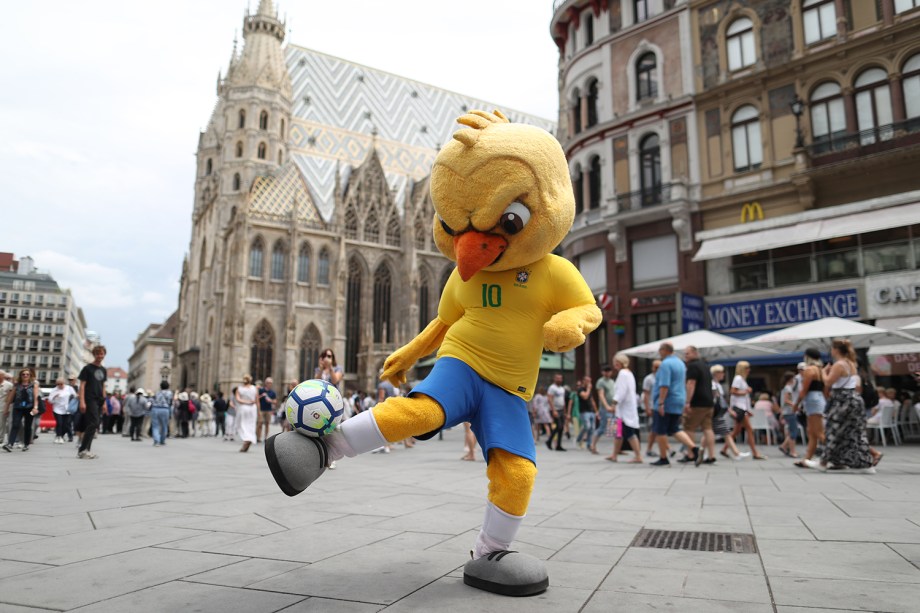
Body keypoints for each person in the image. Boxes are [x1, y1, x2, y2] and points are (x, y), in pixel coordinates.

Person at [808, 339, 879, 472]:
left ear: (836, 350)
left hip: (842, 400)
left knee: (833, 430)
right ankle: (865, 464)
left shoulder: (839, 364)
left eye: (832, 349)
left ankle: (823, 462)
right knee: (856, 432)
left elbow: (828, 382)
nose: (831, 351)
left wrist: (824, 372)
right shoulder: (851, 363)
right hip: (854, 399)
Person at [651, 343, 701, 466]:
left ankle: (663, 458)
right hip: (679, 398)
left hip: (667, 400)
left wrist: (661, 402)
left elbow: (664, 385)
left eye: (660, 350)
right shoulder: (681, 363)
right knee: (674, 428)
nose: (659, 353)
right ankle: (694, 448)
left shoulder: (665, 364)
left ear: (664, 350)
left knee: (660, 430)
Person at [724, 361, 765, 460]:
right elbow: (733, 391)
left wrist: (748, 409)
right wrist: (746, 391)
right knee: (749, 430)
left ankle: (724, 449)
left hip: (742, 408)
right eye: (747, 368)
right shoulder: (738, 379)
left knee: (737, 430)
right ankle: (755, 452)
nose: (749, 370)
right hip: (739, 408)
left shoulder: (741, 379)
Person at [793, 348, 826, 469]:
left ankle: (838, 454)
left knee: (818, 432)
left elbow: (804, 389)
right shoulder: (820, 370)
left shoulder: (809, 370)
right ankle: (807, 459)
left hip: (812, 400)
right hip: (818, 398)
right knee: (812, 432)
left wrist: (796, 404)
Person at [682, 346, 715, 463]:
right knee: (708, 428)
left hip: (697, 402)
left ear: (695, 353)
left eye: (687, 354)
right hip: (709, 402)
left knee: (689, 427)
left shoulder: (692, 366)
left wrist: (687, 402)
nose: (685, 356)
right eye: (685, 354)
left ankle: (691, 454)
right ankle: (711, 456)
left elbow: (691, 383)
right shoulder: (705, 366)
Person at [607, 353, 641, 463]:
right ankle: (614, 455)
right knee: (619, 433)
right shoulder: (628, 373)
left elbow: (621, 391)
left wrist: (614, 404)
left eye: (617, 361)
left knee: (629, 432)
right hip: (625, 408)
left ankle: (638, 456)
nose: (615, 364)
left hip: (624, 409)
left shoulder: (622, 374)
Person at [77, 345, 107, 459]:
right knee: (93, 423)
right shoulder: (87, 368)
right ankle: (82, 449)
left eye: (102, 353)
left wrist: (104, 403)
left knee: (94, 424)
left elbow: (103, 386)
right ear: (94, 355)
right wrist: (82, 401)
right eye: (98, 353)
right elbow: (82, 385)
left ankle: (86, 450)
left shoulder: (103, 370)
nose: (100, 356)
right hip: (90, 399)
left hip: (99, 400)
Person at [3, 368, 41, 452]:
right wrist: (6, 408)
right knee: (15, 424)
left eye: (27, 374)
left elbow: (35, 397)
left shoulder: (33, 384)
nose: (25, 376)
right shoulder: (17, 385)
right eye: (23, 374)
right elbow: (10, 397)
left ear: (30, 375)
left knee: (28, 426)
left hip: (30, 408)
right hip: (18, 407)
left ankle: (26, 444)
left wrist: (35, 407)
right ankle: (10, 444)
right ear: (20, 376)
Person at [592, 365, 615, 455]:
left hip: (613, 407)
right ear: (603, 372)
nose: (607, 373)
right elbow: (601, 395)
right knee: (602, 427)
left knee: (617, 427)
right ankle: (593, 445)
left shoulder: (612, 381)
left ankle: (618, 448)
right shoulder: (601, 381)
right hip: (605, 408)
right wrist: (607, 406)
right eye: (606, 371)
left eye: (609, 371)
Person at [48, 377, 77, 444]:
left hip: (67, 409)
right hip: (57, 409)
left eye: (61, 384)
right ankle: (59, 436)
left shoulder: (69, 388)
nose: (60, 385)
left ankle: (61, 436)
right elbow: (50, 401)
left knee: (66, 424)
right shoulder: (54, 390)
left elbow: (75, 396)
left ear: (64, 383)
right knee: (59, 423)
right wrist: (54, 397)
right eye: (58, 384)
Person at [778, 372, 799, 458]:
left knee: (792, 431)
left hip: (787, 412)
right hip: (790, 411)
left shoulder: (785, 388)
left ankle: (784, 446)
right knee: (793, 431)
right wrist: (795, 405)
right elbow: (787, 400)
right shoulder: (788, 388)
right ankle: (792, 451)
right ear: (791, 379)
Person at [642, 360, 660, 457]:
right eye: (655, 367)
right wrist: (647, 407)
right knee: (654, 428)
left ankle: (667, 448)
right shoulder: (648, 379)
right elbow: (646, 394)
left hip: (660, 406)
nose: (657, 369)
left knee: (657, 429)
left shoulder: (663, 377)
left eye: (658, 367)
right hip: (653, 407)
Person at [236, 375, 258, 452]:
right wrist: (259, 411)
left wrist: (246, 402)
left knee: (242, 424)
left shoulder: (240, 388)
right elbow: (257, 400)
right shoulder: (254, 388)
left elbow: (238, 399)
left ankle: (246, 439)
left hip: (244, 408)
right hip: (253, 408)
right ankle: (249, 439)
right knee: (251, 425)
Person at [546, 373, 567, 451]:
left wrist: (565, 411)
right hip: (555, 410)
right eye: (557, 378)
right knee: (559, 426)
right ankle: (549, 441)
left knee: (561, 428)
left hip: (561, 409)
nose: (559, 380)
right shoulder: (552, 387)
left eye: (560, 378)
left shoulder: (562, 388)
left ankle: (558, 445)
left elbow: (563, 400)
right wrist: (553, 410)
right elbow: (550, 399)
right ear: (554, 379)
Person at [576, 375, 597, 451]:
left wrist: (596, 411)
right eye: (587, 381)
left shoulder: (589, 390)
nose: (589, 383)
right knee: (587, 426)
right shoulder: (580, 389)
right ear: (583, 381)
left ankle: (589, 444)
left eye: (590, 381)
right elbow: (585, 397)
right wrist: (588, 389)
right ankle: (578, 439)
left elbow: (592, 400)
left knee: (592, 428)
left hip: (591, 411)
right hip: (584, 411)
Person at [150, 380, 173, 447]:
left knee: (155, 426)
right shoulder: (170, 393)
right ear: (168, 386)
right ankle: (162, 440)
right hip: (165, 409)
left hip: (155, 408)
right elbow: (170, 403)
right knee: (164, 426)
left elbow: (152, 400)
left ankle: (156, 441)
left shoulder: (157, 392)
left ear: (160, 386)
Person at [257, 377, 277, 443]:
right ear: (265, 383)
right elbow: (256, 399)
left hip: (268, 410)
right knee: (259, 423)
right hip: (261, 409)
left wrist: (270, 400)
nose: (269, 384)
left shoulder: (272, 392)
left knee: (267, 424)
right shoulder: (261, 390)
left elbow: (275, 402)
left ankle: (266, 437)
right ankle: (258, 437)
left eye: (270, 383)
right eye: (268, 383)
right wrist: (262, 396)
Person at [0, 371, 13, 446]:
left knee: (2, 423)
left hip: (4, 406)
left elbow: (10, 397)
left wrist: (7, 407)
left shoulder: (9, 385)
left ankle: (2, 439)